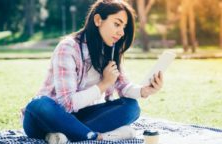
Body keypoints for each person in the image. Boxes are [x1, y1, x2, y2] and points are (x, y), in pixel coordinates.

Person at [22, 0, 163, 143]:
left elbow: (123, 86)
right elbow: (67, 104)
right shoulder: (68, 48)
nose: (121, 32)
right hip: (48, 118)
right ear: (98, 20)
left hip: (81, 117)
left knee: (131, 107)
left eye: (124, 27)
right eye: (117, 24)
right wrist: (104, 84)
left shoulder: (111, 50)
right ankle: (99, 137)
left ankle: (64, 135)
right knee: (38, 104)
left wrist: (145, 90)